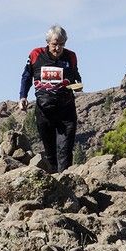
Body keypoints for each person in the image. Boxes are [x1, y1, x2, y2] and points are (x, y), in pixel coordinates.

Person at [19, 24, 81, 172]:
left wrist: (78, 84)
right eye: (54, 44)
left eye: (61, 44)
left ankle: (67, 184)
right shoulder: (36, 54)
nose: (58, 48)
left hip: (66, 112)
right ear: (48, 42)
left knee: (65, 152)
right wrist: (23, 97)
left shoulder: (71, 56)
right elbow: (26, 76)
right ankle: (54, 186)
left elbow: (76, 76)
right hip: (44, 112)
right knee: (51, 154)